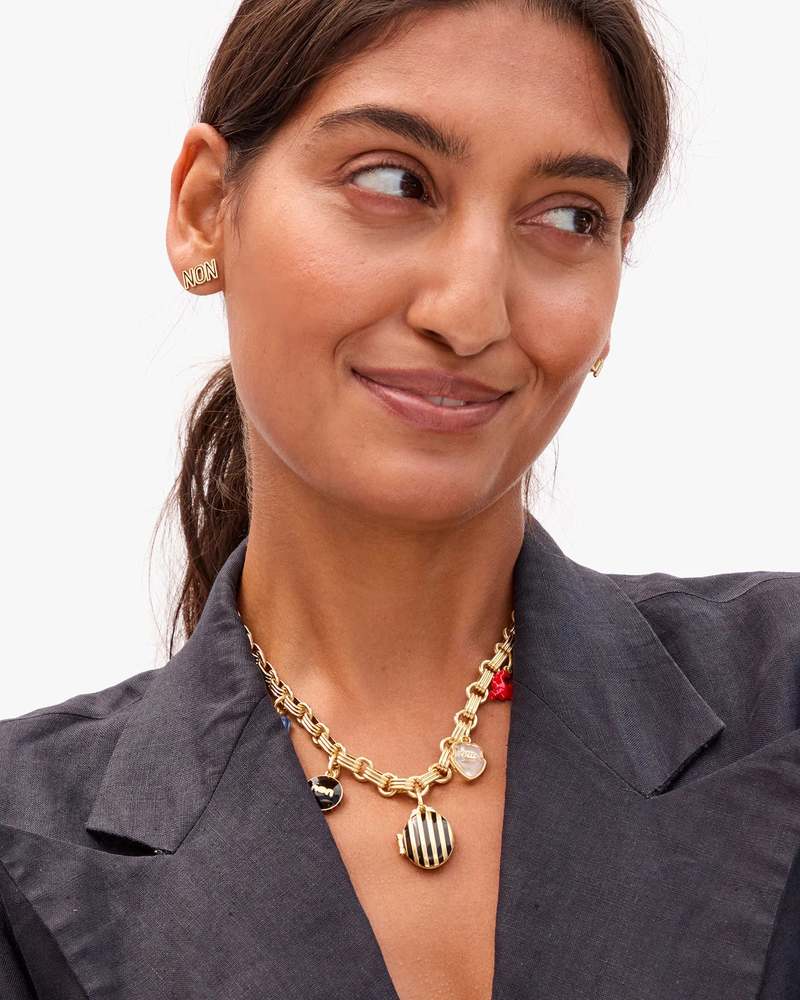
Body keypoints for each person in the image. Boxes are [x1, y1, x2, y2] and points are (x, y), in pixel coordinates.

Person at [1, 1, 798, 997]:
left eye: (569, 216)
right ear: (205, 208)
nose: (469, 312)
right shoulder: (21, 846)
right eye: (392, 181)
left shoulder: (780, 693)